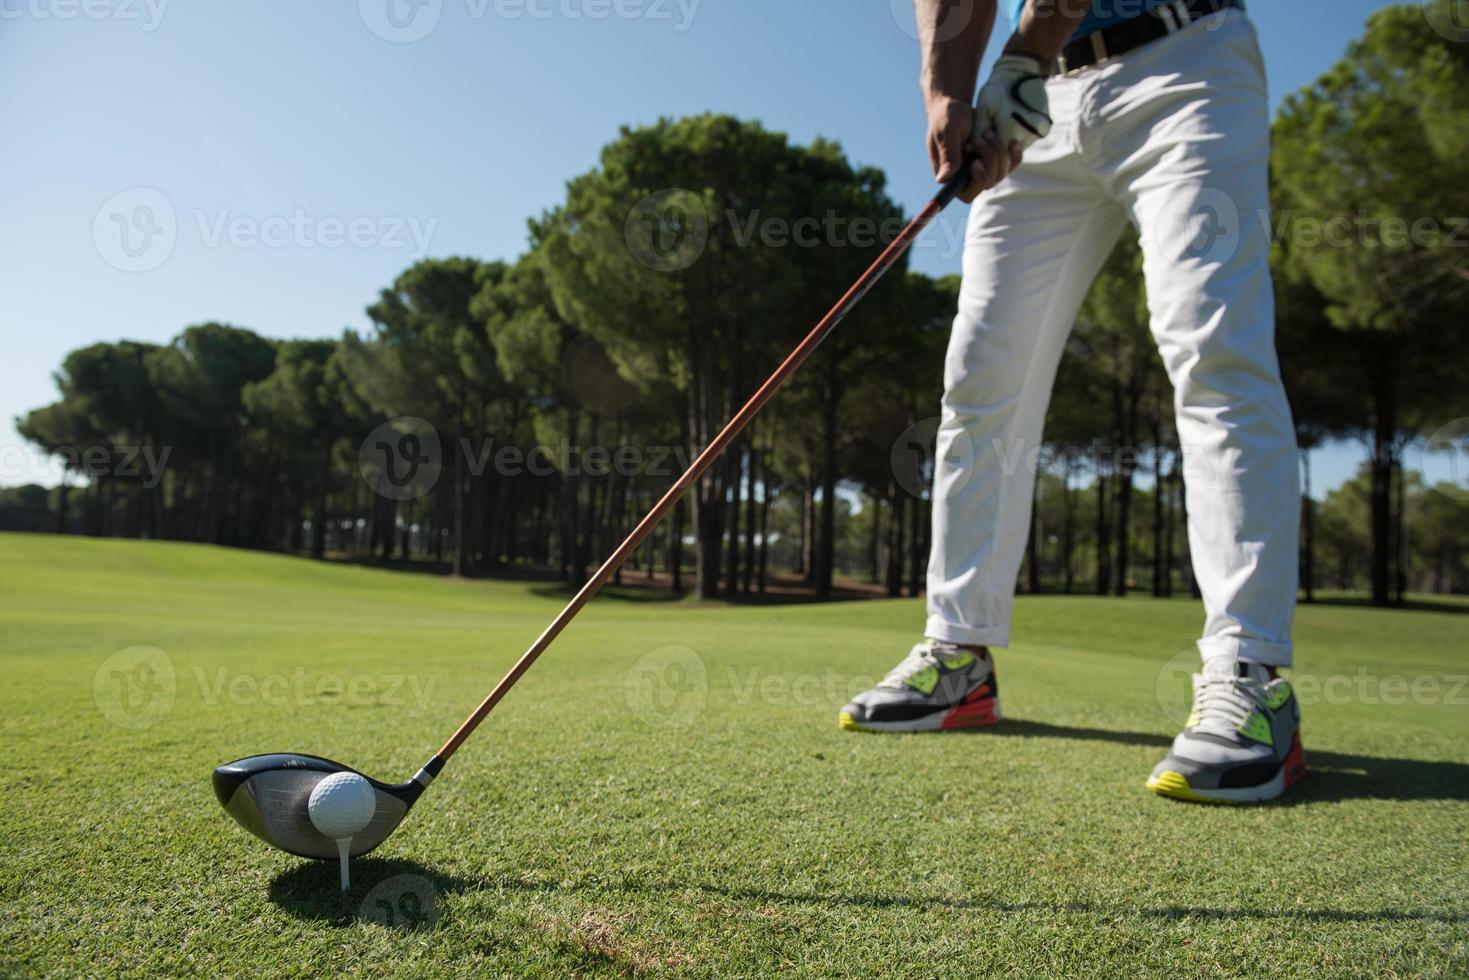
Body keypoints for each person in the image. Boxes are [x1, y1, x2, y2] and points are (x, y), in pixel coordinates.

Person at [839, 0, 1307, 804]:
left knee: (1210, 346)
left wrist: (1022, 56)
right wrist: (945, 93)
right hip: (1043, 102)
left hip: (1181, 60)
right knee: (981, 379)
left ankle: (1249, 672)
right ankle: (959, 658)